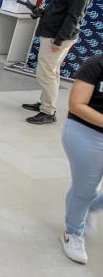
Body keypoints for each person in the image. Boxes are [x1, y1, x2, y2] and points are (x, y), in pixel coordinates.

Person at [23, 0, 94, 125]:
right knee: (51, 72)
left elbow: (74, 17)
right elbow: (63, 10)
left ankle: (48, 112)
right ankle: (45, 103)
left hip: (57, 37)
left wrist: (59, 40)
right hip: (54, 34)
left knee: (46, 73)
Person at [59, 52, 103, 264]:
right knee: (85, 189)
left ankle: (87, 207)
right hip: (87, 133)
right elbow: (77, 104)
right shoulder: (96, 64)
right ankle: (73, 232)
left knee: (87, 196)